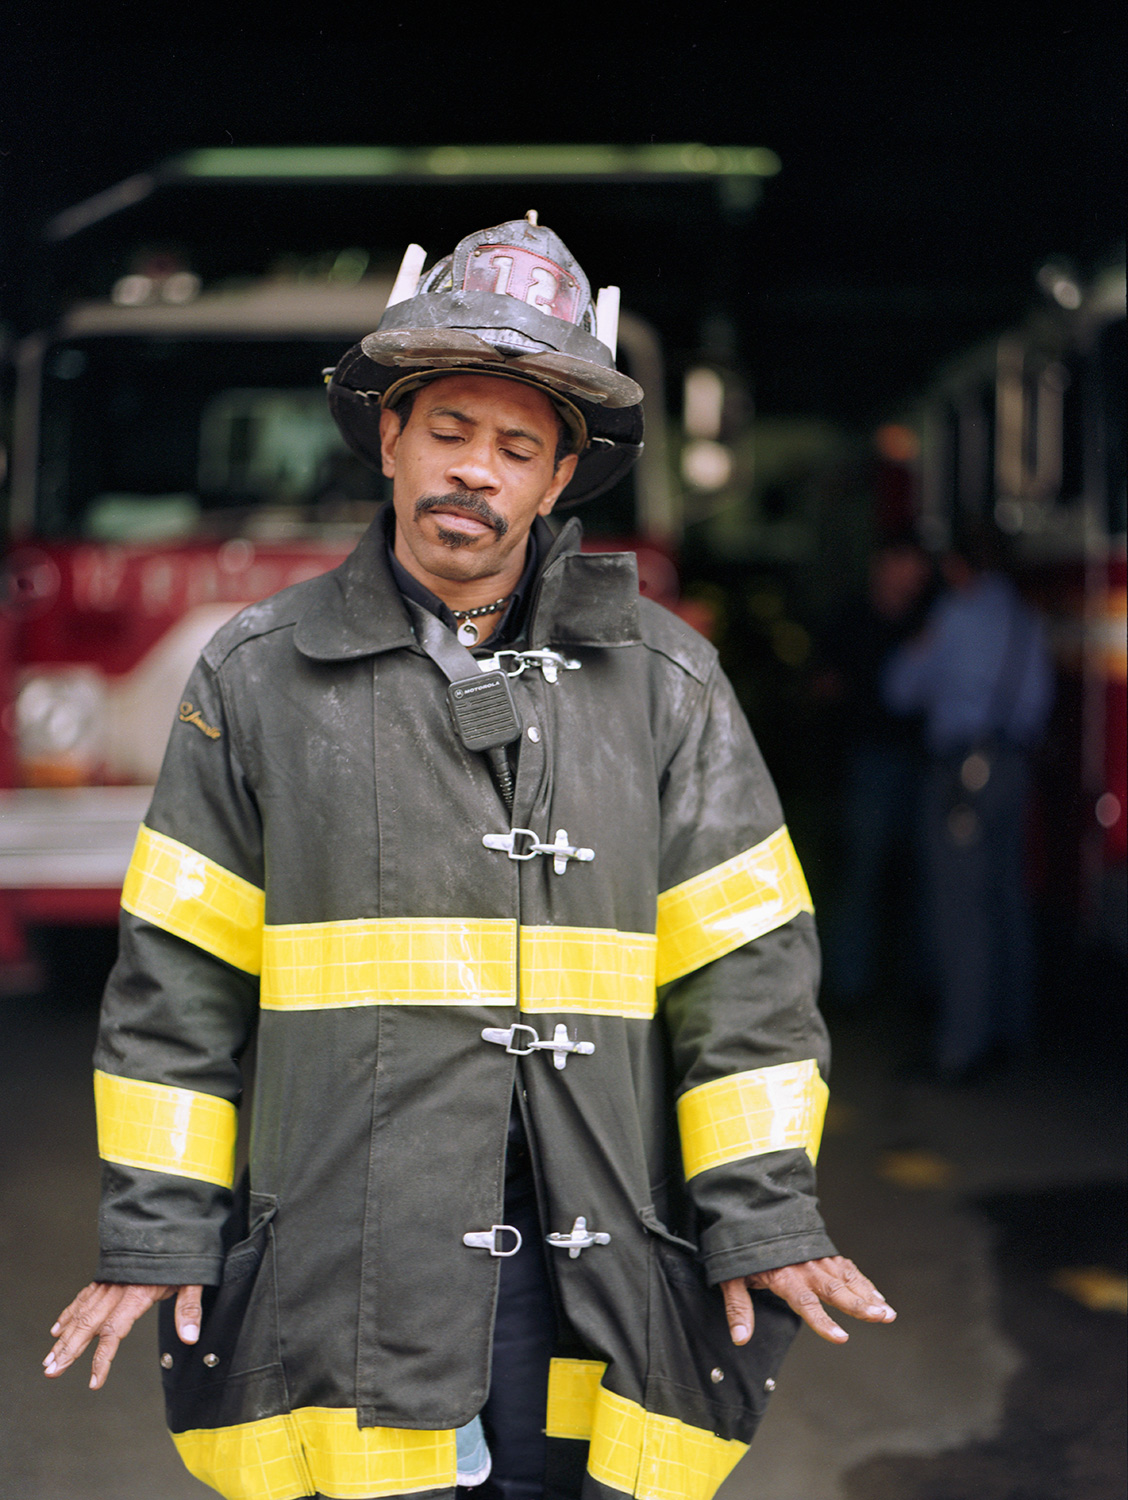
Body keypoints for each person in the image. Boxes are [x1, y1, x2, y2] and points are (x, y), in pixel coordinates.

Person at [44, 217, 894, 1500]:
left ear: (560, 480)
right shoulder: (255, 679)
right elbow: (177, 989)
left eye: (516, 448)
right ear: (389, 437)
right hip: (352, 1256)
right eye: (448, 431)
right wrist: (157, 1232)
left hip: (592, 1260)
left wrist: (763, 1217)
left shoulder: (668, 685)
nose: (474, 475)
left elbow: (749, 983)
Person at [884, 525, 1054, 1083]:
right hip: (1012, 767)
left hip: (960, 770)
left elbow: (901, 688)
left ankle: (961, 1047)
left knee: (961, 910)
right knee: (1007, 901)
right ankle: (1015, 1032)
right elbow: (1038, 702)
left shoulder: (954, 616)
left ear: (960, 567)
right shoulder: (1027, 622)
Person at [815, 538, 932, 1008]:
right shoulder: (851, 615)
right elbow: (820, 684)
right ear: (883, 564)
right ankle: (851, 985)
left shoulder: (930, 616)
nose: (913, 579)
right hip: (867, 760)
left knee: (921, 878)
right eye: (906, 566)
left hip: (922, 762)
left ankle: (916, 986)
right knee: (861, 875)